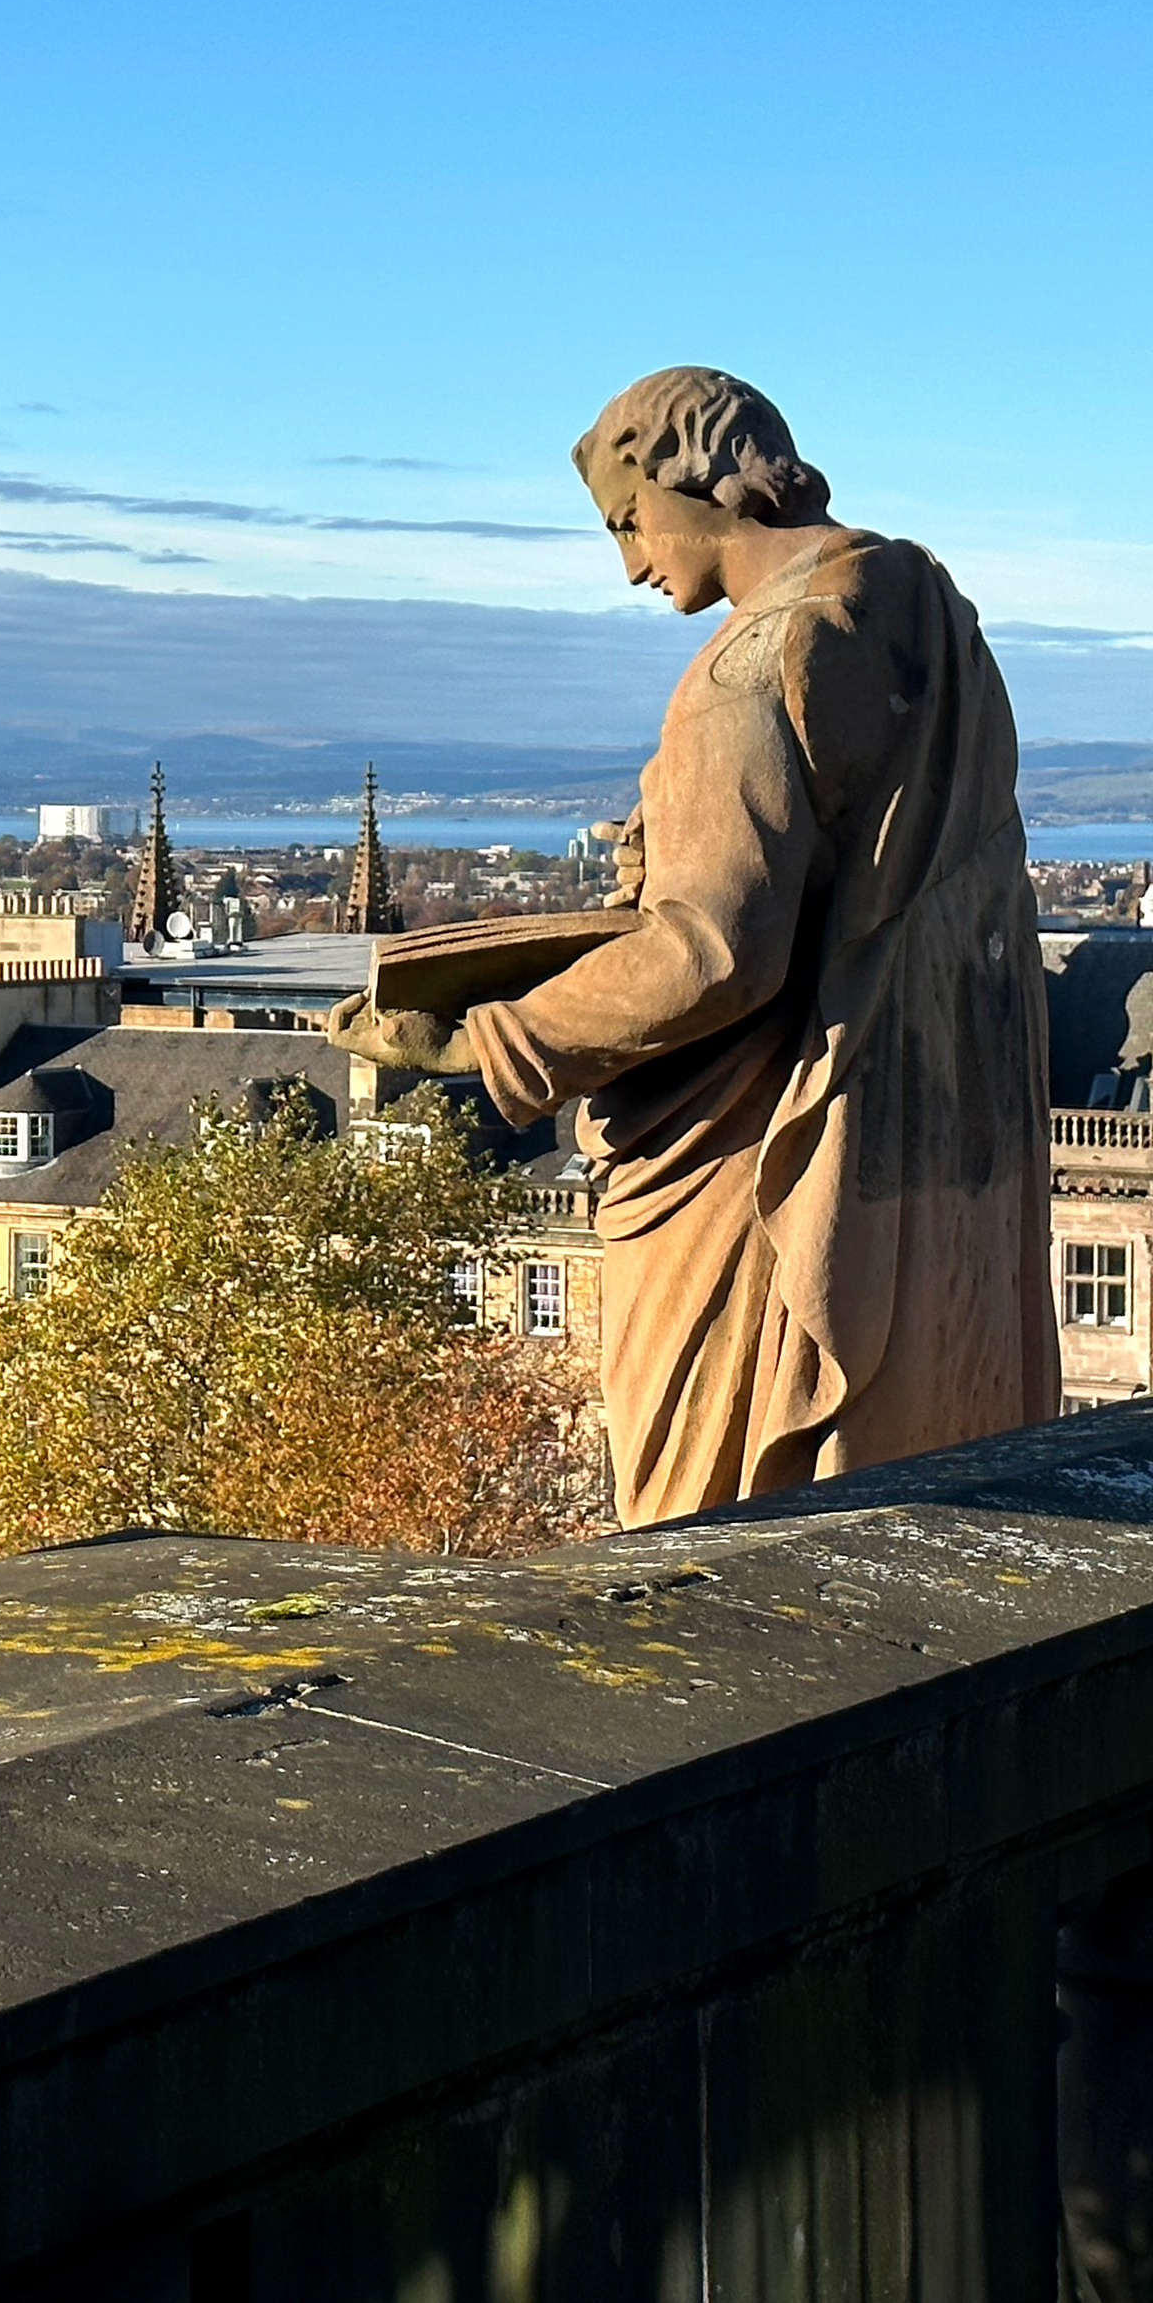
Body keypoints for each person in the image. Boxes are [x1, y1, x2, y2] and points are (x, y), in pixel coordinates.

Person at [332, 367, 1055, 1525]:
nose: (630, 564)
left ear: (700, 476)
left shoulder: (748, 670)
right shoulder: (924, 608)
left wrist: (488, 1038)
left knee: (703, 1520)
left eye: (629, 520)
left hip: (757, 1173)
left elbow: (715, 952)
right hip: (932, 1137)